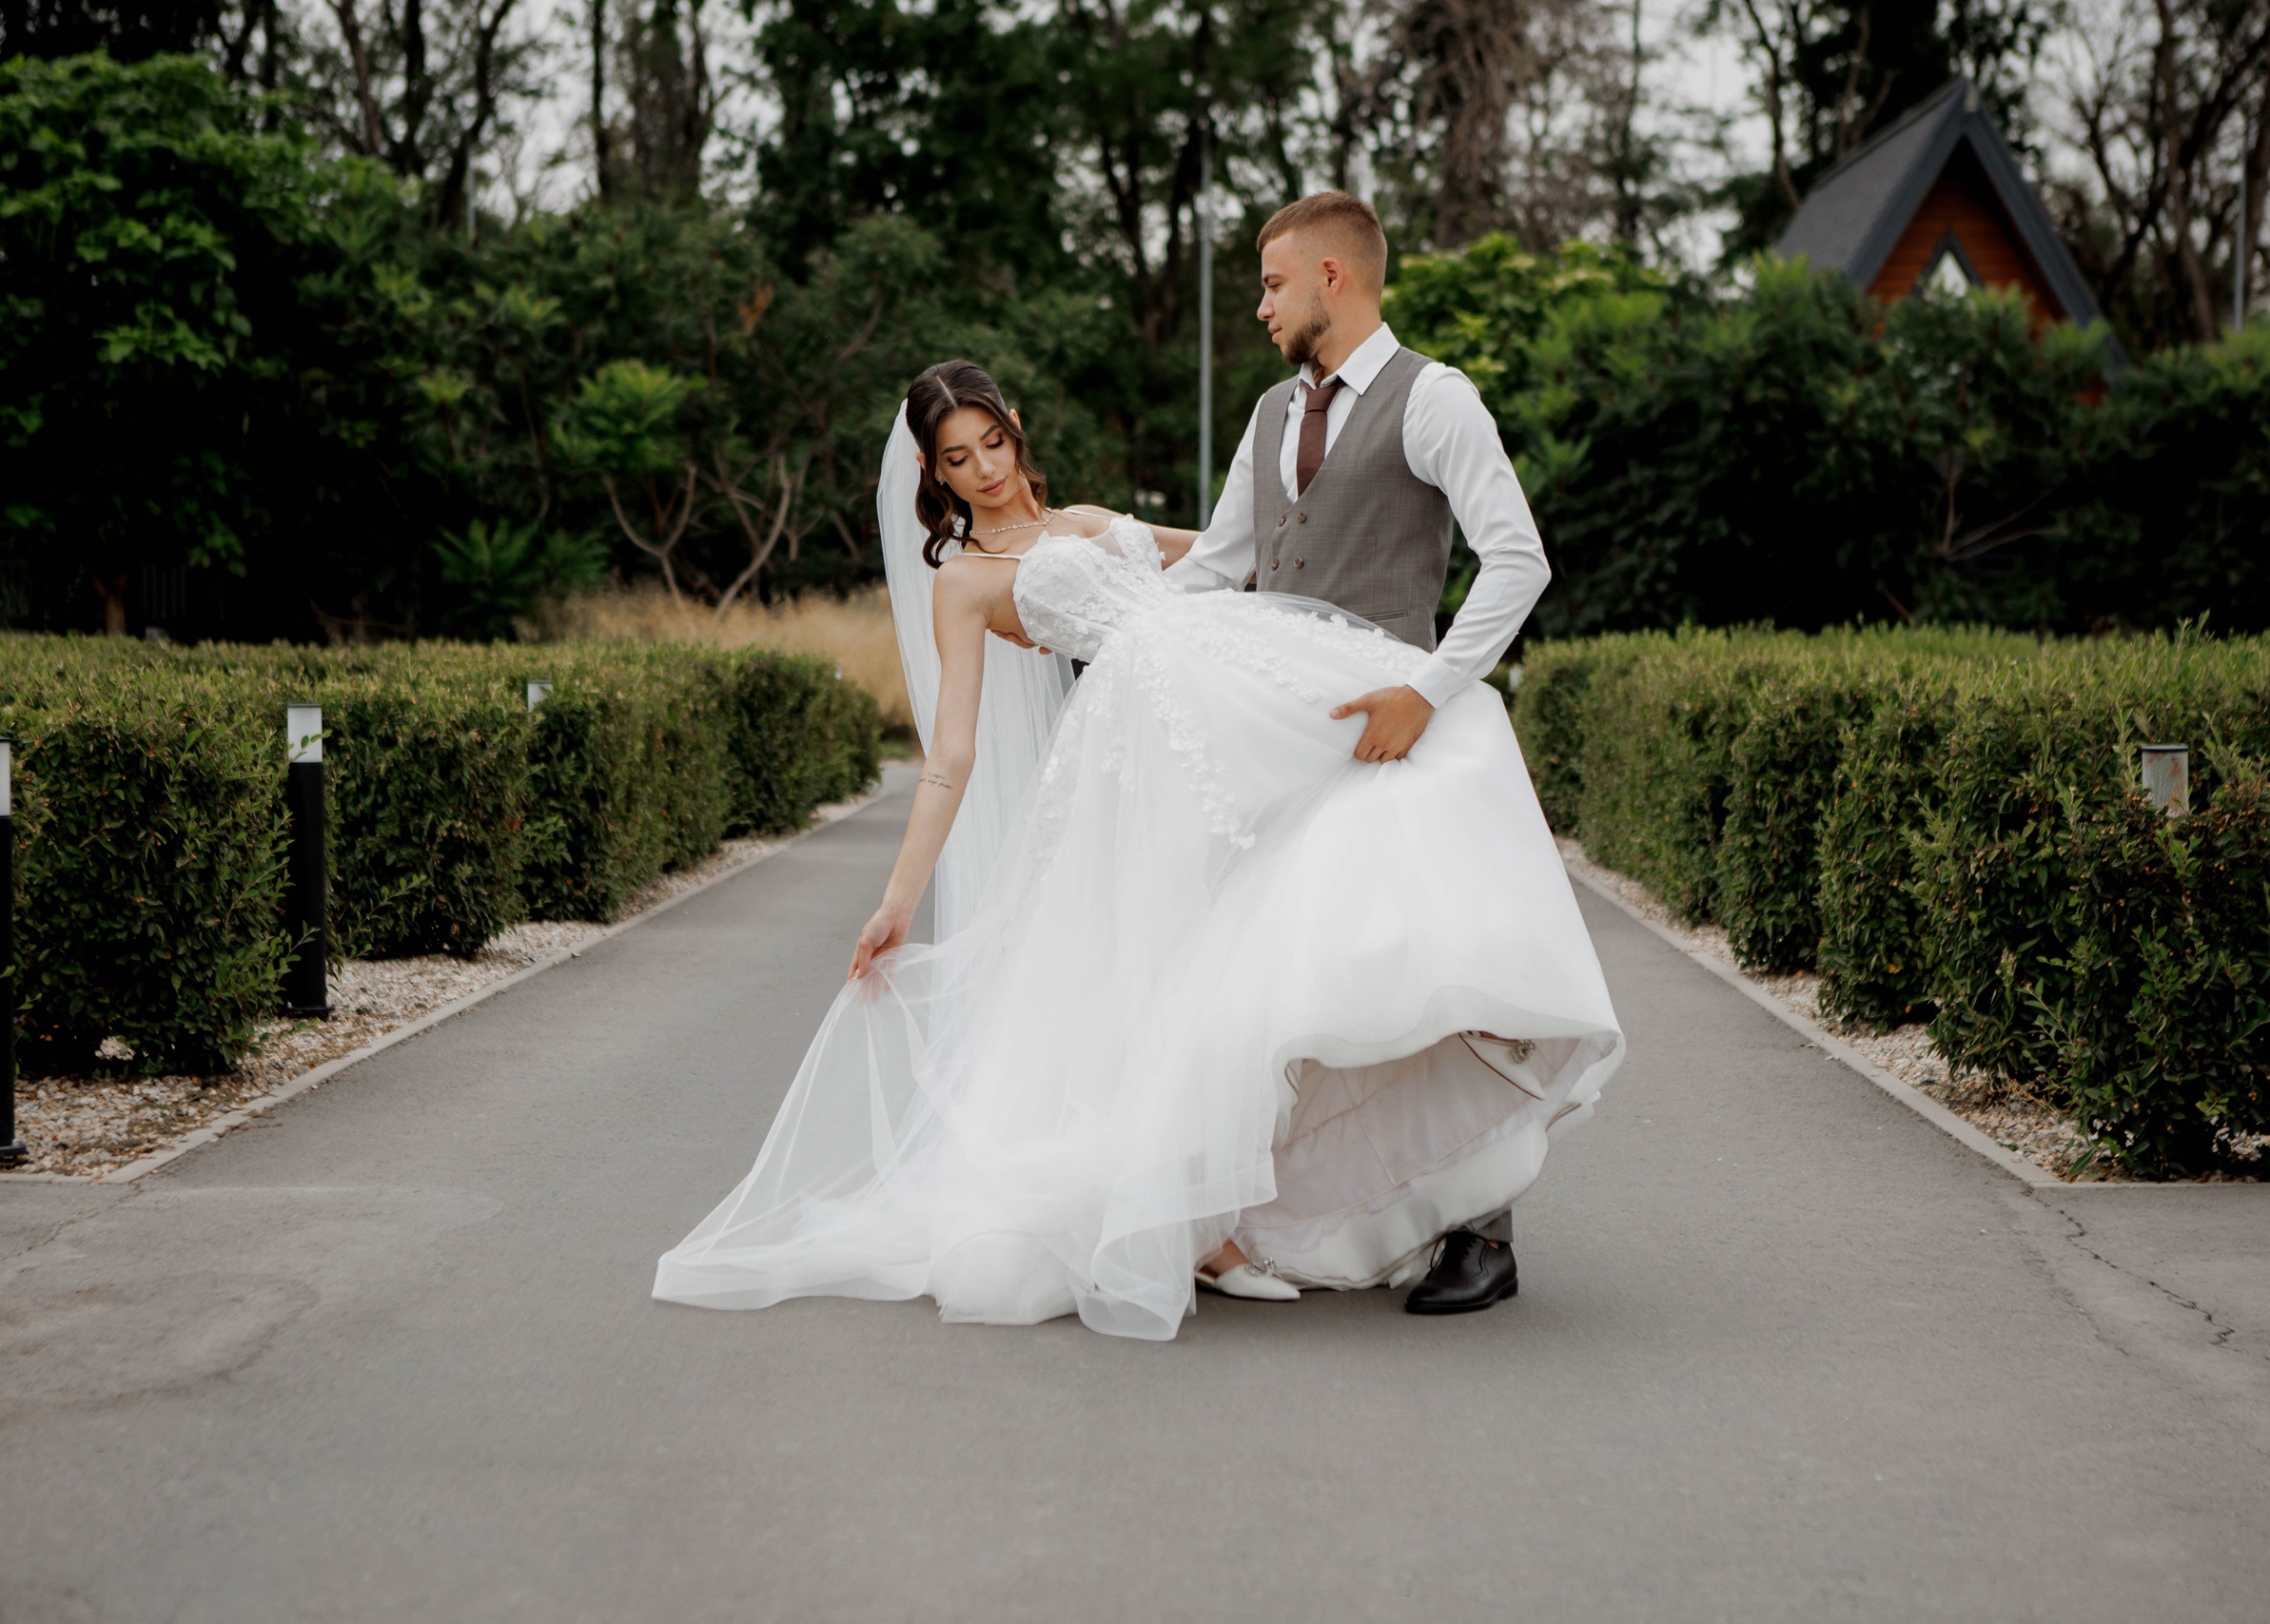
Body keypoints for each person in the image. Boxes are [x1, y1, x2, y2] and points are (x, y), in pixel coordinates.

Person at [652, 363, 1620, 1346]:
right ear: (934, 475)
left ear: (1015, 428)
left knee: (1399, 782)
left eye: (992, 442)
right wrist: (897, 900)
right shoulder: (966, 580)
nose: (984, 469)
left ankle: (1433, 1069)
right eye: (957, 459)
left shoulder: (1087, 518)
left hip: (1230, 679)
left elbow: (1231, 557)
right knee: (1168, 966)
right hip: (1143, 744)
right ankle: (1202, 1227)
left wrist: (1346, 557)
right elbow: (950, 753)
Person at [1164, 191, 1556, 1314]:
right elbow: (1219, 566)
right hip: (1282, 742)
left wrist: (1428, 691)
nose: (1260, 307)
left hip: (1397, 738)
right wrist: (1104, 626)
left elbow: (1516, 559)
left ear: (1331, 278)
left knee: (1437, 974)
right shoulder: (1268, 415)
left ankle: (1483, 1233)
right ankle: (1303, 1211)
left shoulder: (1433, 398)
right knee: (1300, 982)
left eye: (1272, 284)